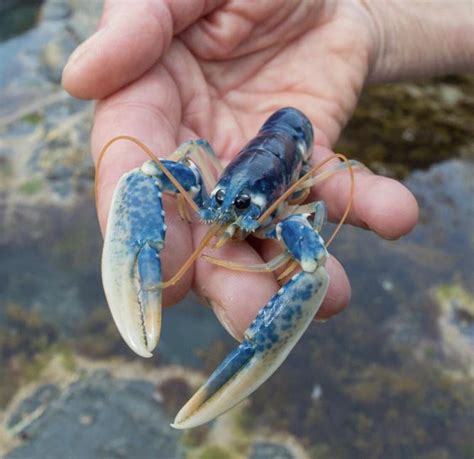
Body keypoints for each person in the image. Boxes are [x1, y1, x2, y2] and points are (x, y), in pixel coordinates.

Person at [62, 0, 473, 341]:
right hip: (266, 139)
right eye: (219, 198)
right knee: (146, 174)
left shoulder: (288, 199)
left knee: (314, 266)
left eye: (235, 205)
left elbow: (313, 211)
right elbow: (185, 154)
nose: (220, 209)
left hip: (293, 133)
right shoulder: (217, 189)